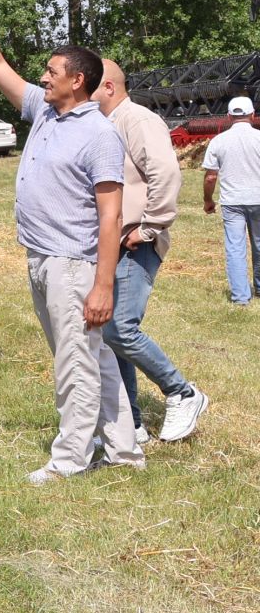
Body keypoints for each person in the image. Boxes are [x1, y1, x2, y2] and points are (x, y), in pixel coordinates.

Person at [0, 0, 136, 483]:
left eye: (51, 70)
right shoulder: (45, 112)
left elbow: (111, 215)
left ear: (77, 80)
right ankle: (124, 449)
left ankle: (70, 459)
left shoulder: (99, 134)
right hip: (41, 257)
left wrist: (103, 285)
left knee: (74, 362)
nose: (42, 76)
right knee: (92, 355)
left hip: (74, 263)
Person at [96, 59, 208, 442]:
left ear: (108, 87)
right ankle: (132, 423)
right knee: (111, 336)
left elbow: (166, 172)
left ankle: (183, 392)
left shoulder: (138, 120)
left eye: (89, 85)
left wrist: (148, 227)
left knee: (120, 329)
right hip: (113, 241)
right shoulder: (106, 124)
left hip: (134, 241)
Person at [203, 95, 260, 306]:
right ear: (253, 115)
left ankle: (240, 298)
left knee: (235, 249)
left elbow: (210, 177)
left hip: (232, 202)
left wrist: (207, 200)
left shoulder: (218, 141)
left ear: (228, 116)